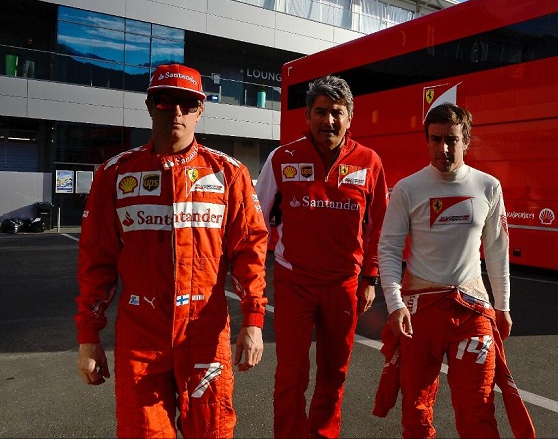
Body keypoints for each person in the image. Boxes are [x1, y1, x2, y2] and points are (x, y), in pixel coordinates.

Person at [74, 63, 269, 438]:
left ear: (200, 109)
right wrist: (88, 337)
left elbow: (250, 253)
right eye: (165, 101)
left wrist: (254, 322)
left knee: (212, 432)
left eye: (186, 102)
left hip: (204, 334)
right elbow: (95, 262)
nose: (176, 112)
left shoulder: (228, 174)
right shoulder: (115, 174)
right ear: (150, 106)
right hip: (140, 337)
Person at [376, 103, 535, 438]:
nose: (443, 148)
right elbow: (388, 249)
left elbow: (497, 250)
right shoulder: (407, 188)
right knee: (416, 412)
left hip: (472, 310)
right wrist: (395, 304)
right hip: (420, 313)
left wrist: (503, 306)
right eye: (435, 140)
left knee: (478, 408)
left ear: (467, 141)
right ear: (427, 140)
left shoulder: (488, 186)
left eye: (451, 139)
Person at [255, 75, 388, 438]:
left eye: (336, 113)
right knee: (291, 375)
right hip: (294, 280)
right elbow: (258, 222)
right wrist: (252, 280)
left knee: (334, 373)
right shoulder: (282, 158)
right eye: (320, 112)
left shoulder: (369, 162)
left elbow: (379, 228)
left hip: (344, 285)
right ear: (307, 116)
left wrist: (370, 279)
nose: (328, 121)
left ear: (350, 118)